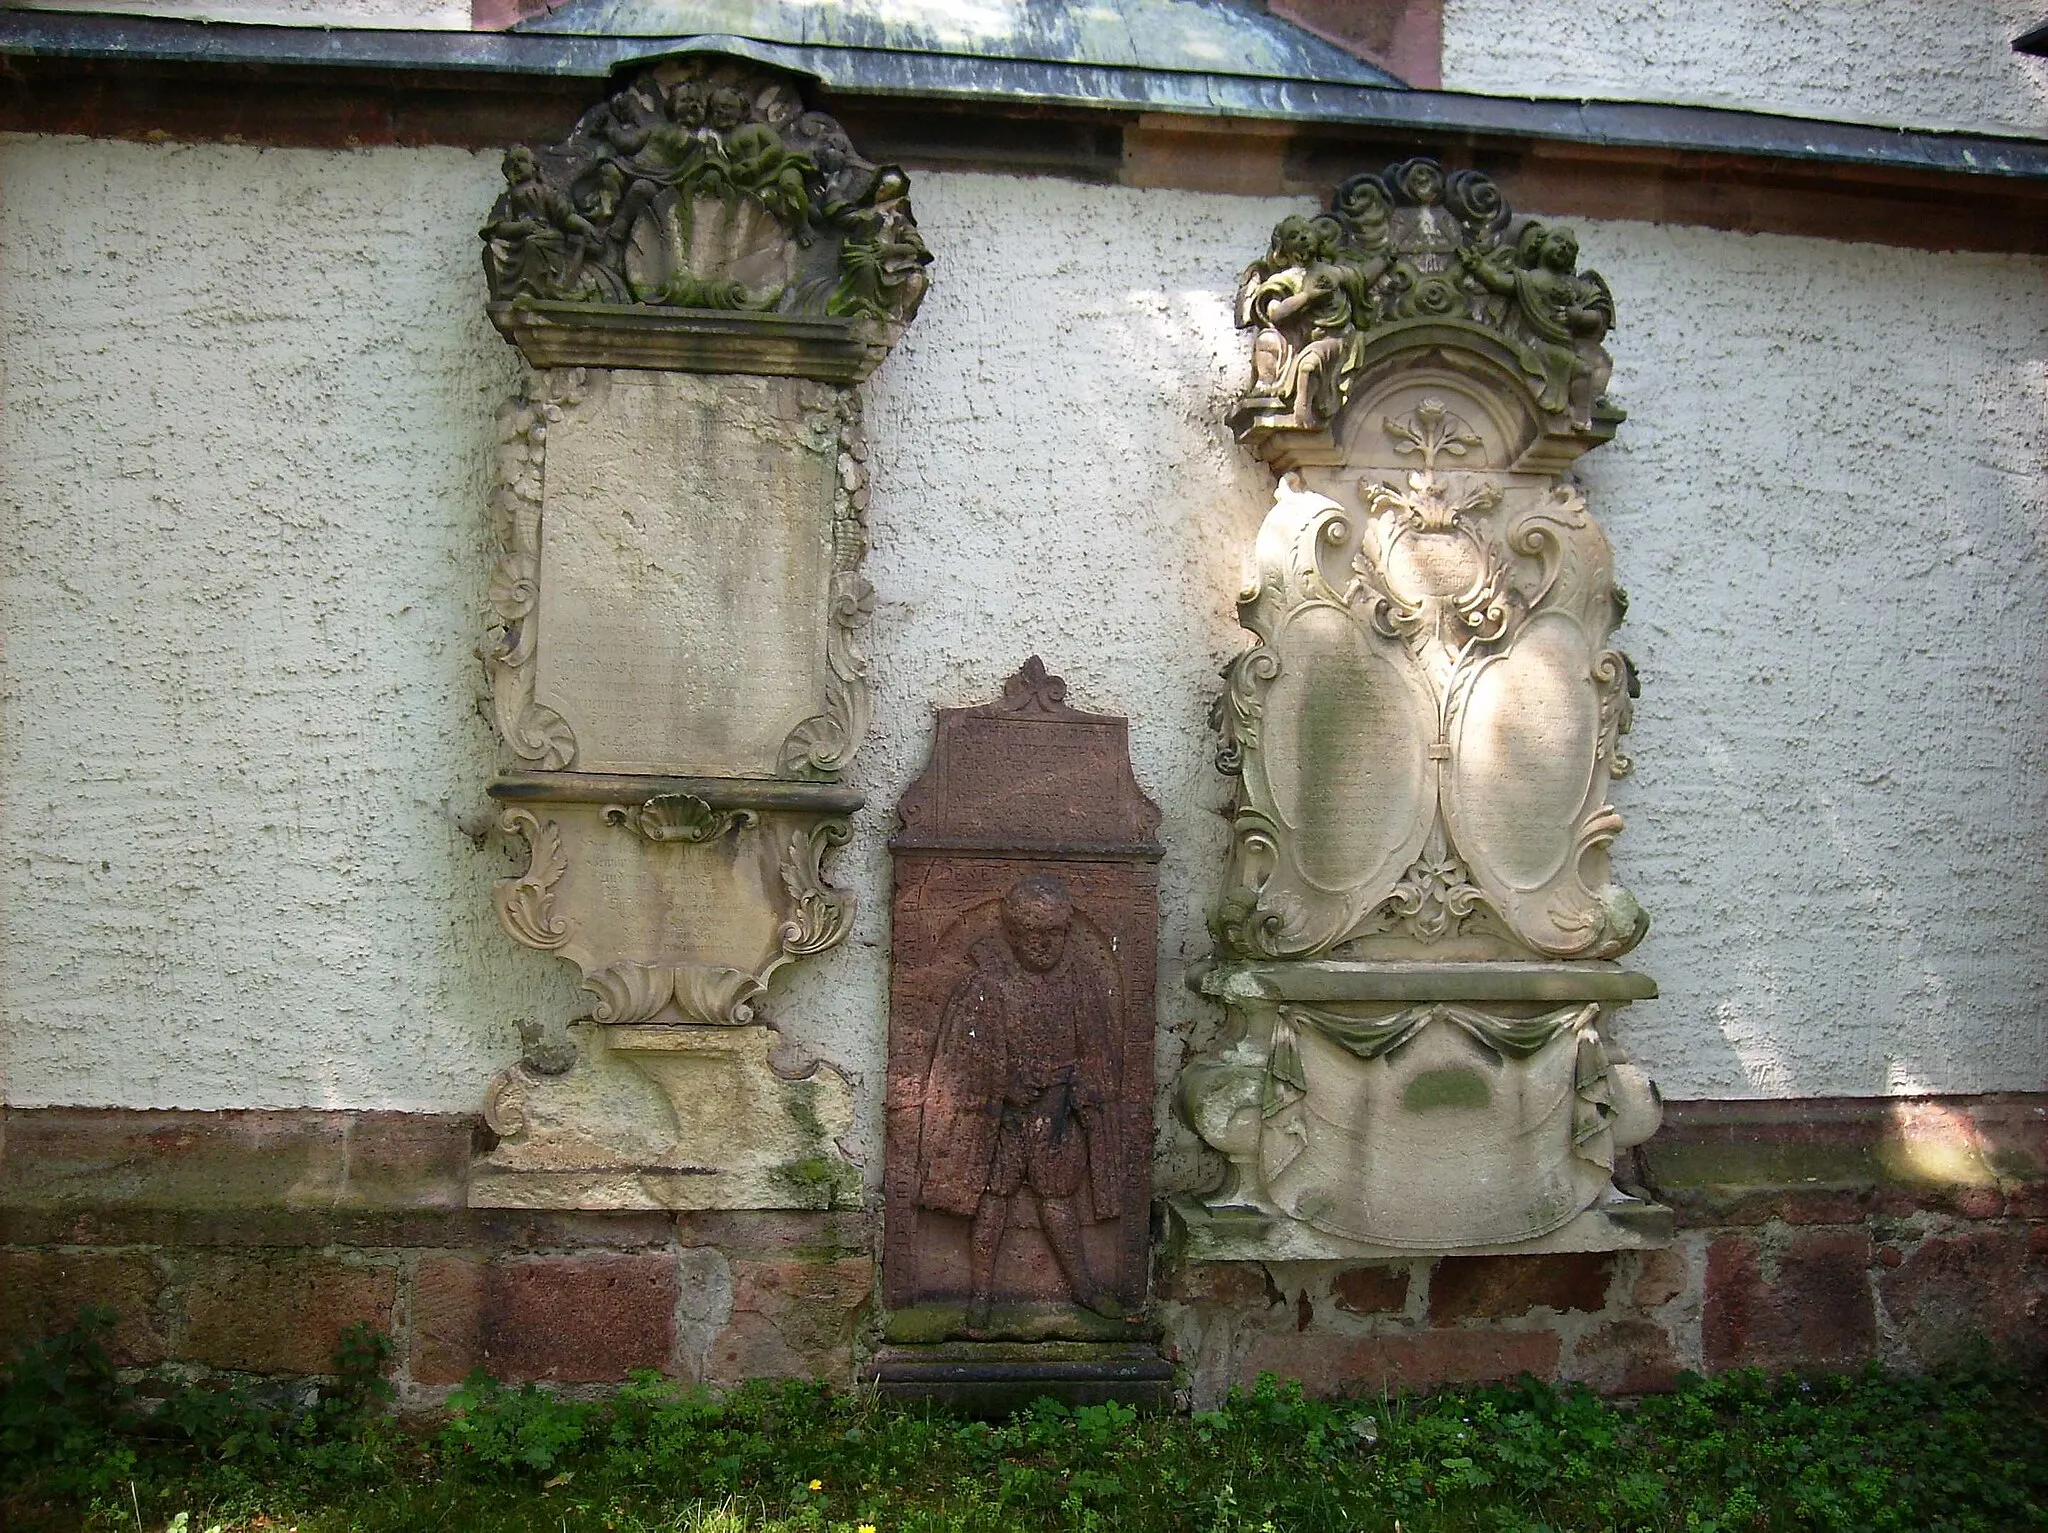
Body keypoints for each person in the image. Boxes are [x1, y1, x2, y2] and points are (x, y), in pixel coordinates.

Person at [916, 876, 1123, 1330]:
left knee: (1057, 1201)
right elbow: (961, 1057)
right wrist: (1004, 1083)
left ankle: (1083, 1287)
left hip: (1057, 1116)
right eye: (1031, 933)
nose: (1043, 944)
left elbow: (1099, 1053)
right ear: (1011, 933)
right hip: (1001, 1121)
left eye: (1053, 933)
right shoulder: (986, 984)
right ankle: (981, 1296)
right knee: (993, 1201)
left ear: (1067, 932)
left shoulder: (1080, 985)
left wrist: (1079, 1088)